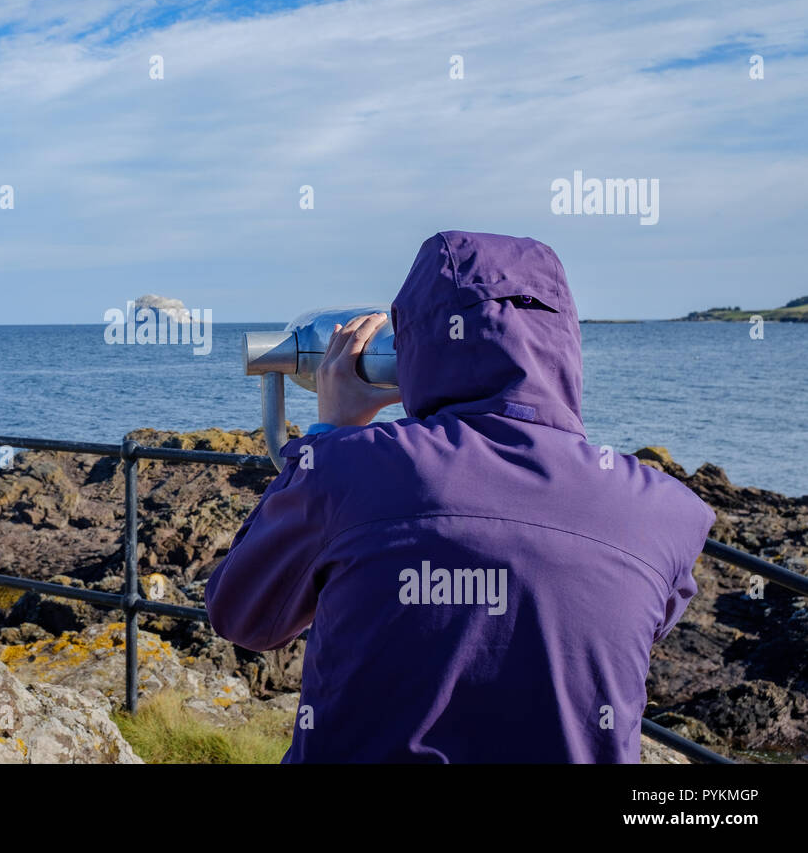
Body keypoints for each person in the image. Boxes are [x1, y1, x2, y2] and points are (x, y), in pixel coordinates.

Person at [204, 230, 714, 762]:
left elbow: (243, 616)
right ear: (563, 340)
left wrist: (332, 434)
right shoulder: (669, 511)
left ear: (415, 344)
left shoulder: (350, 470)